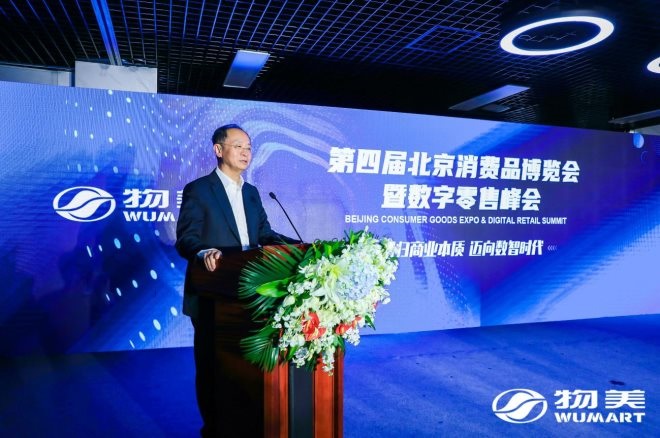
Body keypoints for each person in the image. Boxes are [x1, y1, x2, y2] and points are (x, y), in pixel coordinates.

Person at [175, 124, 297, 437]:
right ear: (218, 150)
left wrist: (299, 246)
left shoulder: (251, 192)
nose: (246, 153)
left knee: (244, 367)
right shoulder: (199, 189)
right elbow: (186, 238)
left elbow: (264, 234)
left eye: (249, 147)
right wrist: (204, 251)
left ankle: (243, 424)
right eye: (238, 146)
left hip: (250, 294)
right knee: (212, 366)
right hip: (213, 294)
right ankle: (213, 428)